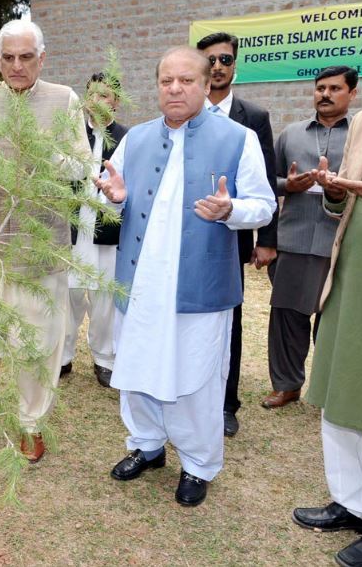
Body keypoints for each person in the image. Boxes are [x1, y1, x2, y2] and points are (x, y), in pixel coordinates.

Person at [97, 46, 274, 506]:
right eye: (165, 81)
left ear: (206, 83)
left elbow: (265, 203)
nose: (175, 89)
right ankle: (146, 445)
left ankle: (197, 465)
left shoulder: (238, 138)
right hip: (138, 283)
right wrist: (115, 198)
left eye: (186, 81)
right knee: (136, 366)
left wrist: (231, 208)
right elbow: (112, 197)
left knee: (195, 377)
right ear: (156, 86)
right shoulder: (135, 137)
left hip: (199, 286)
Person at [0, 19, 89, 463]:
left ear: (42, 58)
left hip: (40, 247)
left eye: (25, 56)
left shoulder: (64, 99)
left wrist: (44, 152)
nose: (16, 65)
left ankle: (32, 424)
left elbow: (80, 166)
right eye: (8, 57)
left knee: (36, 346)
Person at [292, 21, 362, 567]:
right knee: (337, 398)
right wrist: (335, 195)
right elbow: (347, 205)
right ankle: (353, 504)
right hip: (348, 282)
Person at [196, 32, 278, 437]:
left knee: (231, 319)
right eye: (209, 59)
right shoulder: (186, 114)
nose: (216, 66)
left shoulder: (254, 118)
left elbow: (265, 184)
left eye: (224, 59)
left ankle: (227, 404)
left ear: (235, 66)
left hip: (233, 235)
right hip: (189, 235)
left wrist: (266, 239)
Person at [261, 66, 356, 409]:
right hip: (295, 239)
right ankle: (286, 386)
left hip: (343, 243)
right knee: (287, 316)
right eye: (320, 88)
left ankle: (332, 391)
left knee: (335, 322)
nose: (325, 94)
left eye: (334, 88)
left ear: (352, 94)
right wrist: (290, 185)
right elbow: (264, 182)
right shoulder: (292, 133)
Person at [62, 72, 128, 386]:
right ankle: (62, 356)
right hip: (73, 226)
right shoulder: (70, 134)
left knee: (103, 298)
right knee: (69, 293)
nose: (98, 102)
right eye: (93, 94)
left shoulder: (128, 138)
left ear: (116, 101)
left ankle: (104, 359)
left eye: (105, 95)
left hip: (107, 230)